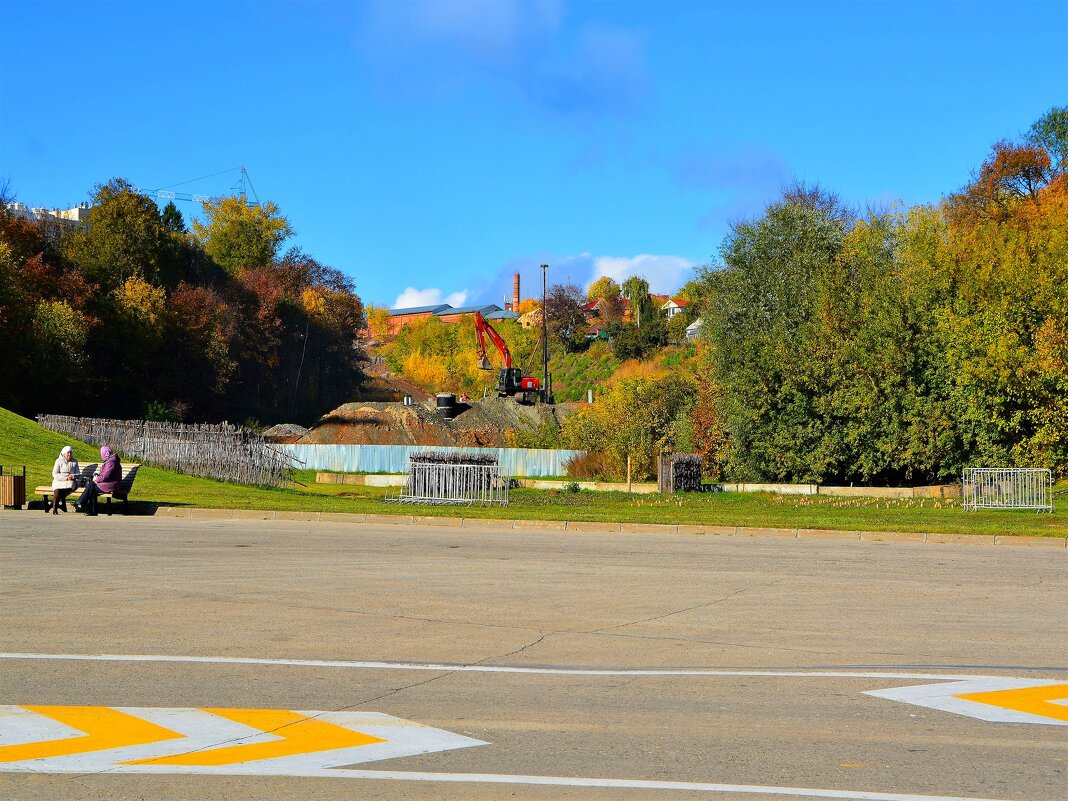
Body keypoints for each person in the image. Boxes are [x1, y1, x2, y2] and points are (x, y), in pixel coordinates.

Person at [75, 445, 120, 516]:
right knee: (92, 487)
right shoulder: (110, 460)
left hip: (111, 484)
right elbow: (105, 475)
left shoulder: (111, 462)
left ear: (105, 454)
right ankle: (90, 510)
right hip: (108, 483)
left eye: (101, 454)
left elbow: (105, 476)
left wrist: (96, 479)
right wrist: (97, 476)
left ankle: (82, 502)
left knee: (91, 486)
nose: (101, 456)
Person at [49, 445, 80, 514]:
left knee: (69, 487)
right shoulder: (58, 461)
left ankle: (53, 503)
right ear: (64, 453)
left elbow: (78, 474)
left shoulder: (75, 461)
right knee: (57, 490)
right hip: (59, 480)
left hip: (70, 481)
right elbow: (55, 474)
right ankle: (54, 509)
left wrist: (73, 476)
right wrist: (65, 478)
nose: (69, 454)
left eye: (71, 453)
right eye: (68, 453)